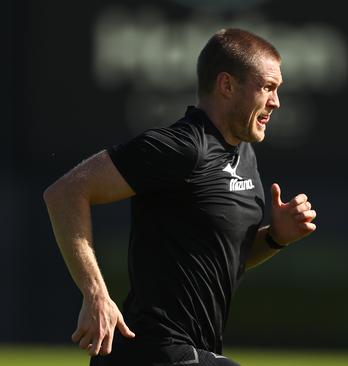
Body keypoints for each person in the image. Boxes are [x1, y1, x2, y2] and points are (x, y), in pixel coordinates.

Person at [43, 28, 317, 366]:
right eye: (267, 87)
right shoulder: (183, 146)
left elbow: (223, 259)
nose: (276, 102)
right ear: (227, 85)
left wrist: (275, 238)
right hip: (153, 350)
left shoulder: (244, 154)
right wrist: (95, 294)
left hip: (192, 352)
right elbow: (65, 193)